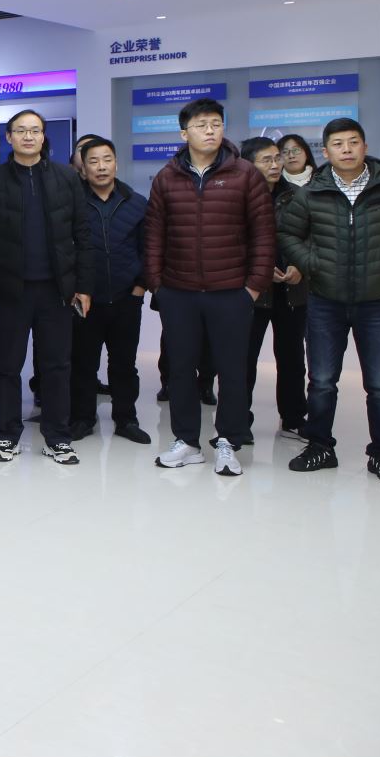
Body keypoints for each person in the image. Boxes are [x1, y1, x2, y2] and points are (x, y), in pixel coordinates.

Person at [279, 118, 380, 484]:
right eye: (338, 144)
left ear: (364, 146)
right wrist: (313, 264)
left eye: (353, 142)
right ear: (326, 151)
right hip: (324, 301)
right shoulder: (312, 191)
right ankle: (320, 447)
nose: (346, 149)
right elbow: (287, 234)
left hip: (376, 302)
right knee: (321, 381)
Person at [145, 98, 273, 477]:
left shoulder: (245, 174)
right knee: (181, 370)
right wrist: (157, 285)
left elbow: (264, 235)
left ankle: (228, 441)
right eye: (201, 125)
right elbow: (153, 236)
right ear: (184, 133)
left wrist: (253, 287)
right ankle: (186, 441)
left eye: (216, 123)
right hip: (179, 292)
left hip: (231, 291)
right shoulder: (166, 177)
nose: (210, 130)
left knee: (232, 370)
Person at [0, 109, 92, 465]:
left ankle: (57, 437)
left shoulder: (66, 178)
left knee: (57, 365)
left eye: (35, 130)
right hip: (9, 290)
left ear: (43, 136)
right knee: (6, 366)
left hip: (57, 290)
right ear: (9, 137)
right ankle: (6, 435)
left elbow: (82, 235)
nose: (29, 137)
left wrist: (83, 286)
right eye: (21, 131)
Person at [69, 136, 151, 444]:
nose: (101, 167)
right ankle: (82, 418)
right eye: (93, 161)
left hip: (126, 297)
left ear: (116, 164)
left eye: (107, 160)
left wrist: (140, 287)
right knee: (83, 363)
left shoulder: (137, 203)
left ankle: (126, 419)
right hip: (84, 298)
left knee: (124, 364)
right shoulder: (72, 204)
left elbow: (149, 248)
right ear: (83, 168)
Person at [240, 136, 308, 441]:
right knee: (243, 360)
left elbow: (311, 239)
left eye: (277, 158)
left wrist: (300, 267)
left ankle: (293, 418)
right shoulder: (236, 197)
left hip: (291, 290)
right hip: (250, 293)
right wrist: (257, 270)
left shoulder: (298, 196)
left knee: (292, 358)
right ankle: (238, 421)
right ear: (248, 164)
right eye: (266, 159)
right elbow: (228, 243)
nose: (275, 164)